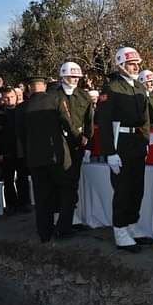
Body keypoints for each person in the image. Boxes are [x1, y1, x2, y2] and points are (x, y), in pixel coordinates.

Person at [96, 47, 152, 252]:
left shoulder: (139, 87)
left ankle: (132, 225)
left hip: (137, 142)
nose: (136, 66)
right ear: (120, 65)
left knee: (137, 188)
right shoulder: (111, 88)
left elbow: (145, 119)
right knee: (123, 189)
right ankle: (120, 230)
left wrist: (146, 142)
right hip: (121, 143)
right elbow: (104, 122)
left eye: (137, 62)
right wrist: (110, 152)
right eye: (131, 63)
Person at [16, 76, 73, 243]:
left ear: (29, 88)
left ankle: (44, 233)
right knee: (67, 190)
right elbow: (67, 124)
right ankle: (63, 227)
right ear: (45, 86)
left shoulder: (21, 108)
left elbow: (20, 134)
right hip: (57, 155)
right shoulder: (56, 100)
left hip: (35, 158)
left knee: (42, 197)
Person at [49, 62, 93, 239]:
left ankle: (71, 219)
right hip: (59, 145)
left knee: (72, 182)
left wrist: (87, 143)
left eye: (76, 77)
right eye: (70, 76)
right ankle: (60, 220)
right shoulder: (53, 96)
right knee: (61, 183)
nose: (74, 80)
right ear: (62, 76)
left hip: (78, 145)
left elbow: (89, 121)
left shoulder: (84, 96)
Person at [0, 88, 31, 215]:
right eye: (6, 98)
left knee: (22, 178)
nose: (9, 100)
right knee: (8, 179)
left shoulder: (22, 111)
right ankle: (12, 204)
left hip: (21, 151)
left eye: (11, 97)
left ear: (16, 96)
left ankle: (24, 203)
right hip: (6, 152)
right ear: (2, 99)